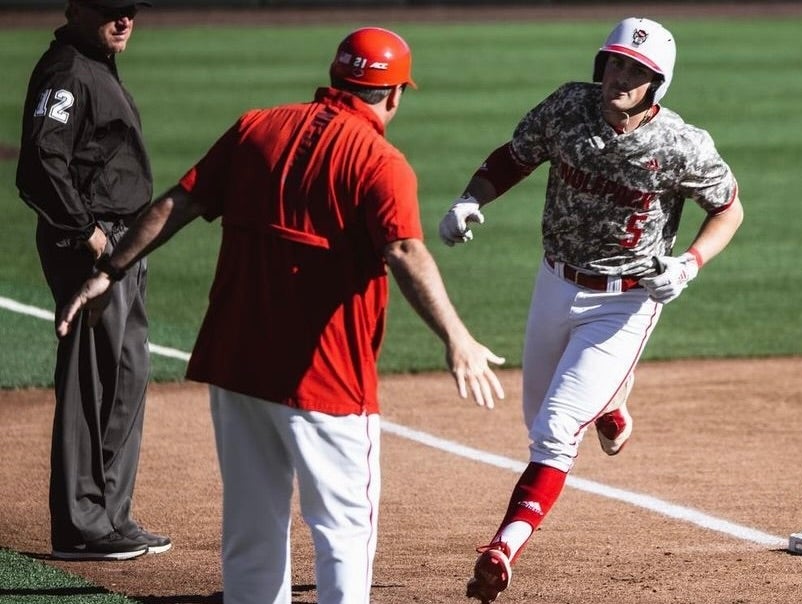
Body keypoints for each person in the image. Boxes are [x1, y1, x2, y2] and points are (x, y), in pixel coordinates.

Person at [56, 27, 506, 604]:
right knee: (343, 531)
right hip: (327, 382)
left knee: (251, 532)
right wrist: (457, 337)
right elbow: (404, 251)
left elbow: (179, 201)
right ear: (393, 96)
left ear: (337, 76)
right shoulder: (380, 161)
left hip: (236, 368)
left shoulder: (255, 128)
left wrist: (109, 271)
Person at [439, 16, 745, 603]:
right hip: (555, 281)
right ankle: (612, 402)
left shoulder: (681, 145)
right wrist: (471, 197)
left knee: (554, 432)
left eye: (636, 70)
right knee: (537, 419)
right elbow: (515, 156)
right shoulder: (566, 109)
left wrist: (689, 264)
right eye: (614, 63)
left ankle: (502, 548)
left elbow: (729, 208)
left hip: (627, 301)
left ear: (658, 83)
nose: (620, 77)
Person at [15, 0, 170, 561]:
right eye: (111, 9)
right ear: (76, 9)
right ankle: (82, 525)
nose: (124, 19)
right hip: (94, 245)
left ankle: (110, 517)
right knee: (92, 379)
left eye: (130, 9)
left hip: (123, 240)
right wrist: (89, 235)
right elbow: (38, 161)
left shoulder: (96, 63)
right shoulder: (67, 71)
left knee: (127, 373)